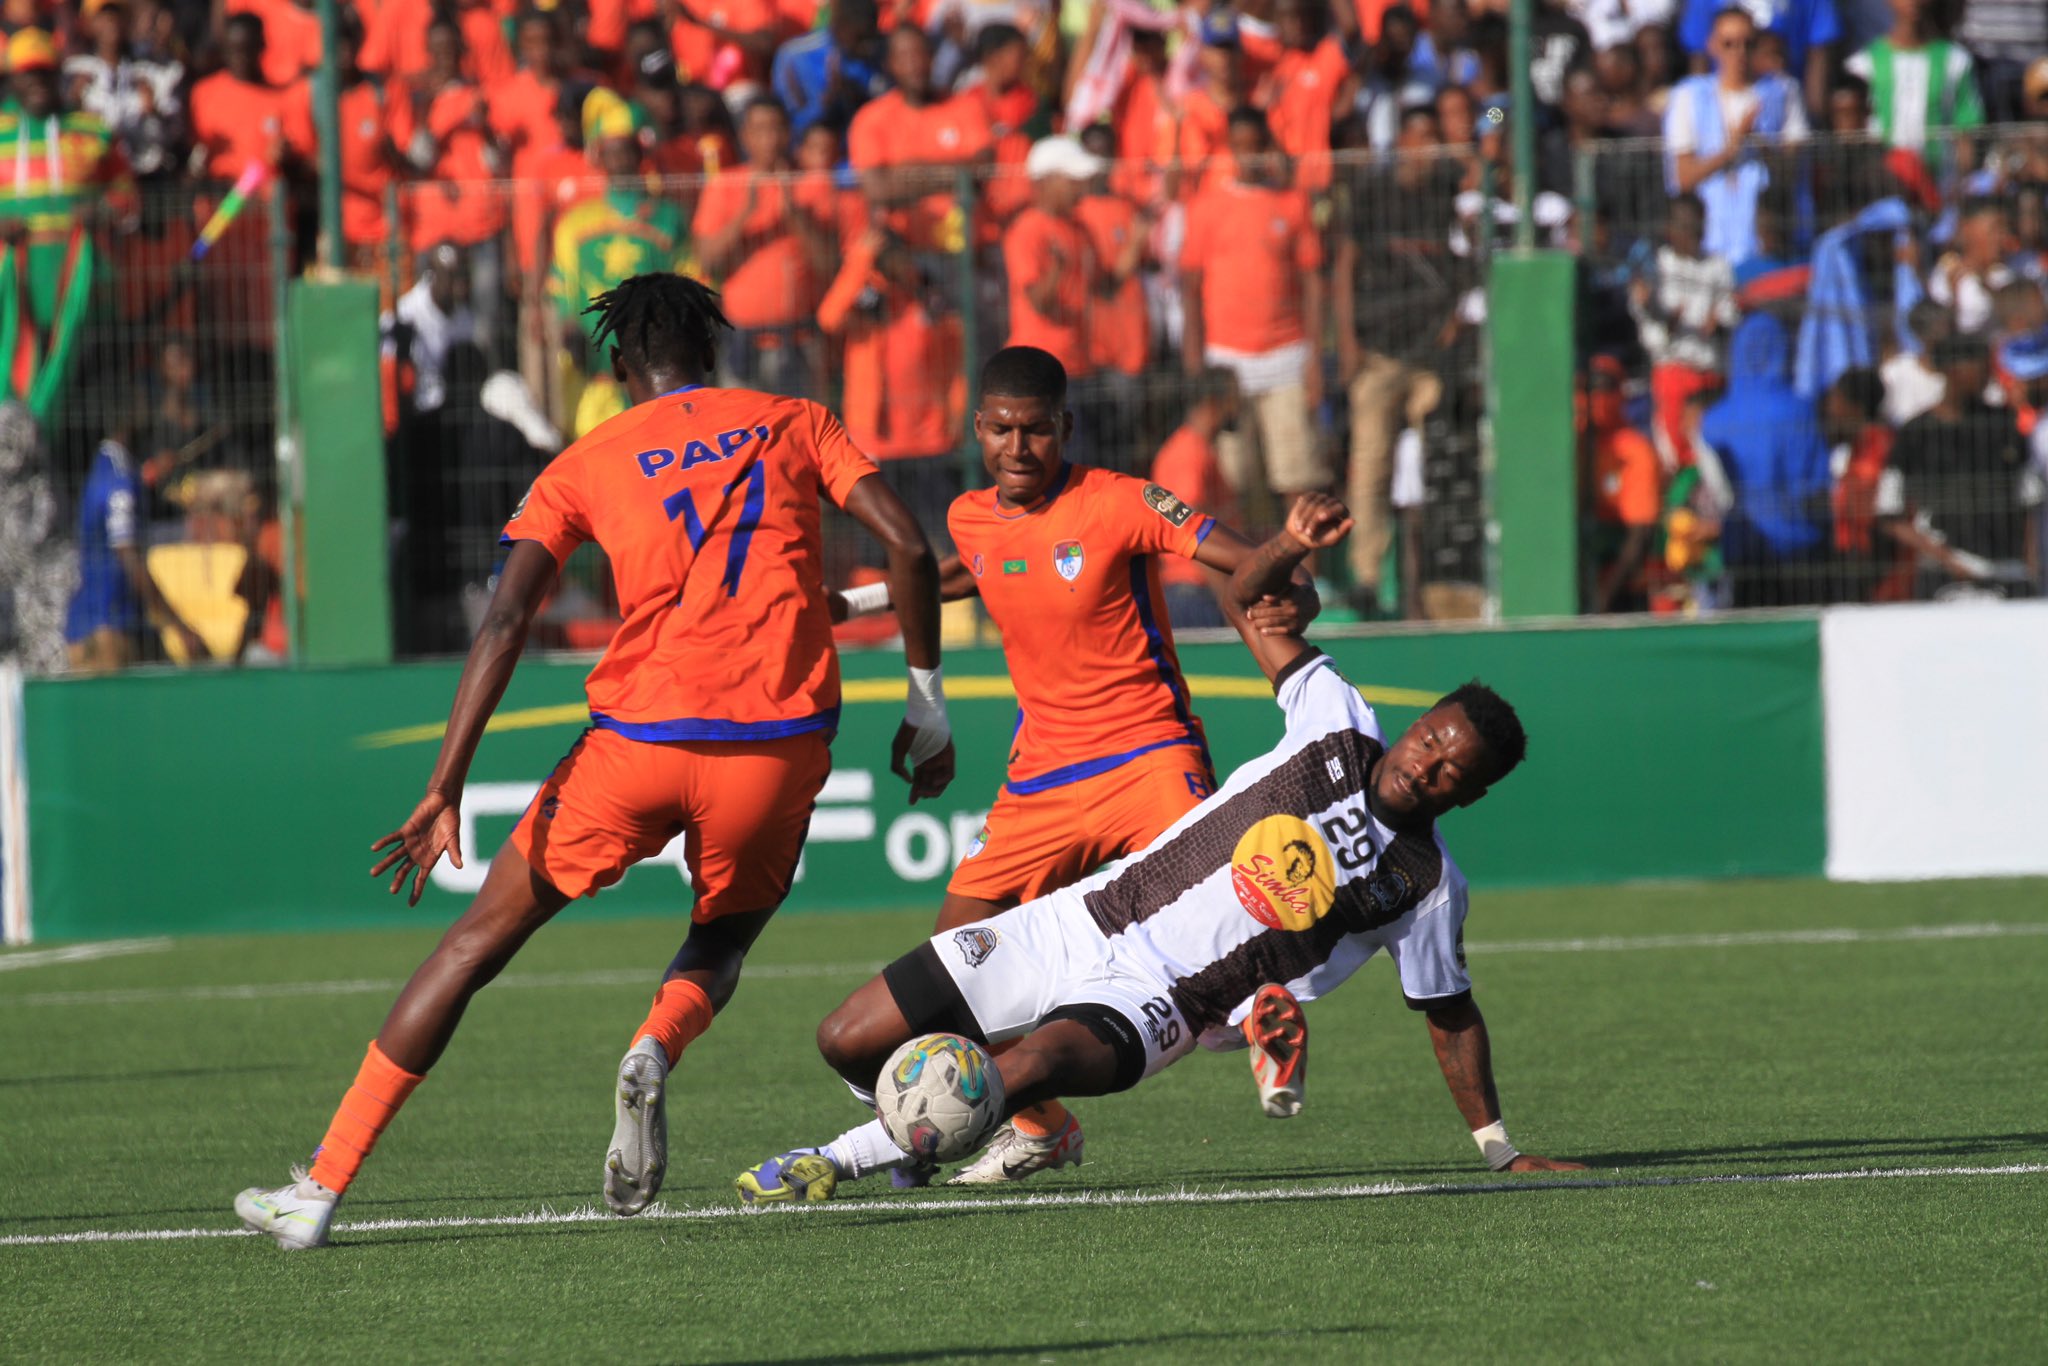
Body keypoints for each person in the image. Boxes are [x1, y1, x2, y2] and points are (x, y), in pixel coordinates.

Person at [234, 274, 957, 1251]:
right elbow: (907, 546)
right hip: (773, 751)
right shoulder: (795, 421)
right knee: (724, 935)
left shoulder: (585, 461)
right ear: (713, 351)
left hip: (638, 746)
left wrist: (445, 781)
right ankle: (654, 1044)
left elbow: (504, 620)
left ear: (618, 366)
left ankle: (319, 1188)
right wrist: (925, 706)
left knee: (471, 946)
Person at [737, 492, 1583, 1203]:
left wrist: (1499, 1149)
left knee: (1027, 1064)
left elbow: (1449, 1015)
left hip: (1166, 1001)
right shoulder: (1337, 720)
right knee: (847, 1036)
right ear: (1419, 722)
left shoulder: (1425, 882)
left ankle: (832, 1160)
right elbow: (1245, 595)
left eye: (1451, 770)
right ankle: (967, 1130)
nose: (1426, 764)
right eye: (1430, 739)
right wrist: (1290, 542)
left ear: (1470, 793)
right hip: (1078, 919)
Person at [836, 346, 1317, 1183]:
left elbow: (1240, 556)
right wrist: (849, 603)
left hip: (1148, 756)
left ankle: (1260, 1023)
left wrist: (1291, 579)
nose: (1017, 447)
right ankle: (1040, 1125)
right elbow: (966, 571)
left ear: (1066, 426)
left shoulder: (1123, 501)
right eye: (1001, 430)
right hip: (1041, 781)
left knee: (1215, 919)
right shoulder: (968, 516)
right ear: (977, 428)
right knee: (950, 968)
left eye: (1036, 431)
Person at [1180, 107, 1328, 519]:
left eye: (1256, 146)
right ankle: (1245, 562)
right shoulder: (1206, 207)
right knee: (1231, 483)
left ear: (1268, 147)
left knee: (1297, 480)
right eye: (1240, 146)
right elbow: (1189, 288)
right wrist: (1195, 362)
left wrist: (1315, 358)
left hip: (1286, 358)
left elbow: (1313, 284)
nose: (1249, 155)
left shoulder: (1293, 203)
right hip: (1227, 363)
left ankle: (1306, 562)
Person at [691, 96, 837, 399]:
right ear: (745, 136)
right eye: (759, 130)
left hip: (799, 337)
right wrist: (745, 214)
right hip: (743, 340)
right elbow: (707, 260)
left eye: (776, 129)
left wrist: (794, 213)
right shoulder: (724, 185)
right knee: (745, 426)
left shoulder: (812, 184)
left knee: (799, 425)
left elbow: (828, 265)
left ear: (788, 133)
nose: (769, 139)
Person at [1881, 335, 2041, 598]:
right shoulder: (1916, 433)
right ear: (1951, 370)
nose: (1986, 377)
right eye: (1979, 368)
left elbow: (2029, 502)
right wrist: (1948, 560)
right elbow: (1889, 513)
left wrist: (2030, 567)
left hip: (2009, 573)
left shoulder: (2005, 425)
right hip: (1945, 580)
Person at [1699, 312, 1832, 605]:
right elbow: (1815, 485)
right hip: (1798, 545)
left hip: (1741, 547)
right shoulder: (1799, 411)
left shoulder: (1713, 419)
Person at [1663, 6, 1809, 265]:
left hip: (1769, 246)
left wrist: (1759, 144)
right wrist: (1729, 151)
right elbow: (1682, 177)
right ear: (1712, 45)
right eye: (1728, 44)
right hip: (1707, 248)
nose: (1738, 52)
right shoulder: (1688, 95)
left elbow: (1793, 169)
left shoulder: (1783, 90)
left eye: (1747, 44)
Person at [63, 414, 209, 672]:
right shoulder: (119, 480)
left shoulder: (105, 468)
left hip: (95, 623)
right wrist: (179, 626)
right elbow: (127, 554)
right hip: (109, 629)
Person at [846, 24, 993, 253]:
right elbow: (876, 189)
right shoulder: (870, 119)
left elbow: (983, 170)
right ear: (890, 65)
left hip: (970, 249)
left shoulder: (966, 107)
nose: (914, 64)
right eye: (904, 57)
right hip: (907, 253)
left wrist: (907, 172)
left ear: (932, 57)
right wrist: (958, 174)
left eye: (919, 53)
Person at [1631, 193, 1736, 472]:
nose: (1693, 236)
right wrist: (1667, 320)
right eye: (1686, 228)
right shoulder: (1657, 266)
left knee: (1711, 454)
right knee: (1675, 455)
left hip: (1710, 374)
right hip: (1673, 372)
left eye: (1698, 228)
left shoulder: (1717, 265)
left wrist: (1717, 324)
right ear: (1670, 228)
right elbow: (1650, 329)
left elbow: (1728, 314)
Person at [1151, 367, 1245, 629]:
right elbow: (1194, 531)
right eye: (1234, 399)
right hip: (1195, 593)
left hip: (1198, 591)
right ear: (1214, 402)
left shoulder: (1196, 449)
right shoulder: (1188, 454)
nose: (1239, 407)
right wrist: (1226, 599)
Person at [1842, 0, 1982, 171]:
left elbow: (1966, 130)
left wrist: (1962, 178)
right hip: (1882, 180)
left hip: (1940, 182)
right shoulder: (1862, 65)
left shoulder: (1956, 61)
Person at [1581, 356, 1663, 612]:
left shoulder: (1636, 450)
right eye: (1591, 388)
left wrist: (1605, 595)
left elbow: (1640, 532)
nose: (1598, 396)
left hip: (1622, 584)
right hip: (1579, 572)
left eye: (1606, 387)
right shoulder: (1575, 443)